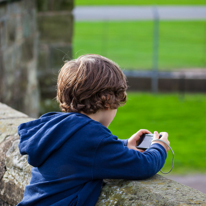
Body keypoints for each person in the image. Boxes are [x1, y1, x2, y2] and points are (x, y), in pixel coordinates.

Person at [17, 54, 170, 206]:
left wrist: (125, 145)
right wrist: (159, 146)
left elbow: (80, 151)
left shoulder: (55, 125)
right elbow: (142, 166)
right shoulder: (91, 135)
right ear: (108, 100)